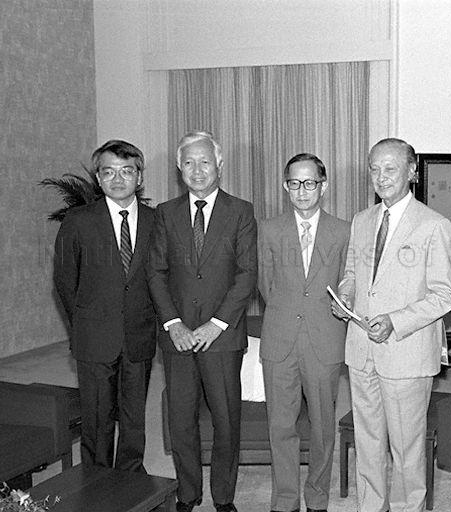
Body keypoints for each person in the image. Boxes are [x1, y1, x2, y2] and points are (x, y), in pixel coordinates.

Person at [333, 138, 451, 512]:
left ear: (412, 172)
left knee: (407, 448)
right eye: (374, 169)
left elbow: (444, 294)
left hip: (406, 352)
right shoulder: (362, 220)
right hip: (361, 349)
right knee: (368, 443)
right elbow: (352, 274)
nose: (380, 177)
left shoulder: (434, 225)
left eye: (390, 168)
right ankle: (370, 506)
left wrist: (395, 322)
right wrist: (344, 296)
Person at [147, 131, 258, 512]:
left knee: (227, 423)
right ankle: (188, 493)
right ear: (179, 168)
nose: (197, 170)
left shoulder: (241, 211)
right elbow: (156, 273)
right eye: (189, 162)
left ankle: (224, 498)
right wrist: (173, 324)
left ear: (219, 165)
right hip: (176, 339)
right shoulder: (165, 213)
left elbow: (247, 274)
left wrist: (216, 324)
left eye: (205, 161)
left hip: (221, 339)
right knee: (181, 422)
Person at [54, 139, 156, 473]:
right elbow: (66, 282)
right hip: (94, 336)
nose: (118, 179)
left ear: (139, 177)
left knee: (133, 419)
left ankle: (130, 484)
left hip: (139, 335)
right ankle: (96, 487)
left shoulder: (159, 222)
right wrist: (84, 324)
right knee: (96, 421)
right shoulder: (79, 221)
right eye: (108, 172)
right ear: (98, 179)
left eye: (127, 171)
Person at [258, 153, 350, 512]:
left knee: (323, 428)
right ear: (285, 186)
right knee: (281, 426)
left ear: (323, 186)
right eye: (294, 183)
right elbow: (266, 286)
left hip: (324, 340)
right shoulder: (268, 229)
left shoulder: (344, 230)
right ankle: (284, 500)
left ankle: (317, 499)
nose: (302, 190)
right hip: (279, 339)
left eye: (310, 182)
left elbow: (347, 281)